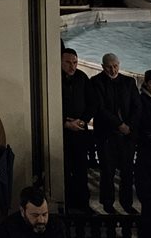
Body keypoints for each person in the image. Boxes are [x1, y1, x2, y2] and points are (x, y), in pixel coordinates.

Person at [89, 52, 139, 215]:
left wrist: (129, 126)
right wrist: (120, 125)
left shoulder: (129, 82)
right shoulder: (96, 82)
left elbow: (137, 107)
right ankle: (108, 203)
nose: (113, 70)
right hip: (107, 135)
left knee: (127, 171)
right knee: (107, 171)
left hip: (127, 135)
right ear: (103, 67)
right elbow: (100, 109)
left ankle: (127, 202)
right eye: (109, 67)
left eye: (115, 66)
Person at [59, 47, 93, 214]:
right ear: (60, 61)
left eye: (75, 63)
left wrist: (83, 120)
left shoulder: (82, 77)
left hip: (80, 130)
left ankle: (83, 204)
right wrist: (64, 122)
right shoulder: (54, 78)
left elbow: (92, 103)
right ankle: (67, 203)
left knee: (81, 168)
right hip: (61, 131)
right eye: (68, 62)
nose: (72, 66)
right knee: (64, 168)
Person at [0, 186, 66, 238]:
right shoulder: (8, 228)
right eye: (35, 215)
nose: (41, 220)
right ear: (22, 211)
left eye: (44, 214)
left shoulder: (56, 225)